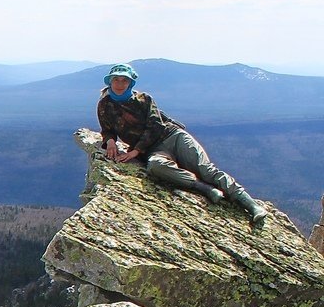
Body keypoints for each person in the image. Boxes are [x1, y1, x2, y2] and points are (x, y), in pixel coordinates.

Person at [97, 62, 267, 226]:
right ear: (110, 81)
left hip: (173, 136)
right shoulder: (105, 104)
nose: (120, 84)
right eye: (116, 79)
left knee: (206, 170)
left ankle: (251, 205)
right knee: (156, 166)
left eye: (124, 80)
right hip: (153, 150)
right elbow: (107, 128)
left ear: (131, 82)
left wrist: (135, 151)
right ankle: (204, 189)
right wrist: (110, 141)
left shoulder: (144, 99)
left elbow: (156, 125)